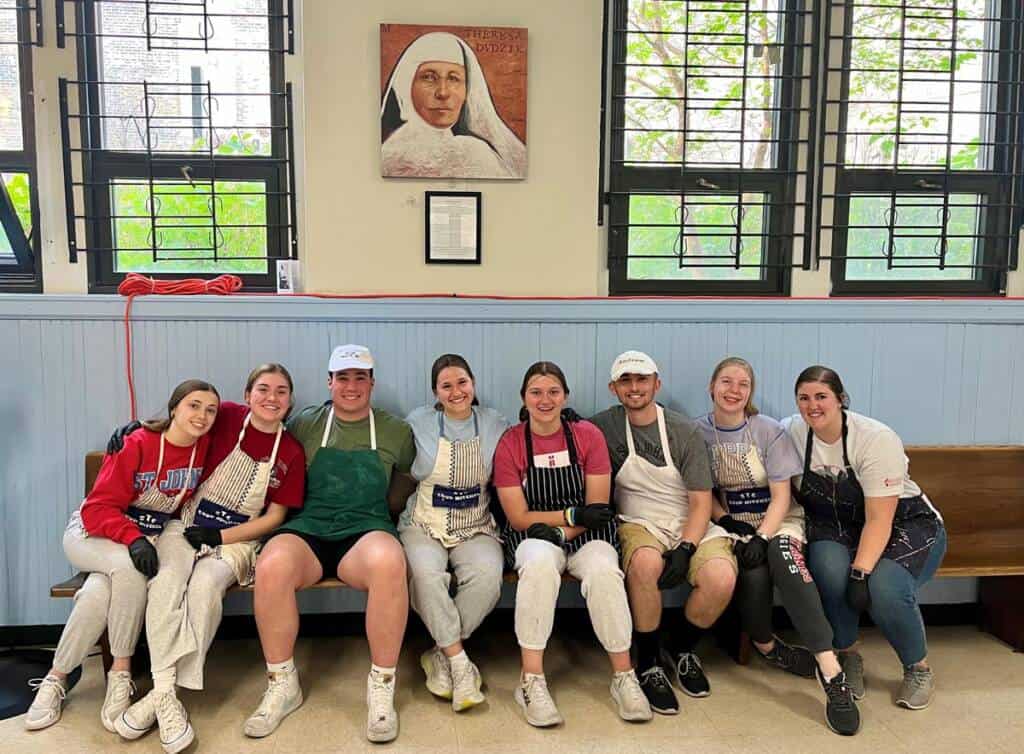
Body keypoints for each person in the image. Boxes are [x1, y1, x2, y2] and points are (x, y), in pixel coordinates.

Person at [112, 365, 306, 753]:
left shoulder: (290, 451)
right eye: (263, 389)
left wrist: (220, 536)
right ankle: (166, 693)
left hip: (239, 541)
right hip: (184, 525)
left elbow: (274, 518)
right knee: (168, 581)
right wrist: (138, 429)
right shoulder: (227, 416)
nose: (272, 398)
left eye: (281, 392)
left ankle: (162, 694)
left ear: (290, 400)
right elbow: (182, 424)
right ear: (247, 394)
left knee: (203, 588)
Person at [25, 380, 219, 735]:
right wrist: (133, 539)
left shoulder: (204, 445)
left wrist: (138, 540)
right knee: (129, 570)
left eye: (210, 410)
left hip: (138, 539)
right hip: (92, 533)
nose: (202, 415)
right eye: (194, 405)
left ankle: (56, 678)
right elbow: (97, 508)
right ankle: (121, 672)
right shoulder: (138, 443)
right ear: (174, 407)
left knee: (98, 594)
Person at [243, 345, 416, 743]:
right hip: (309, 529)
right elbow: (252, 427)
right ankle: (282, 684)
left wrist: (391, 515)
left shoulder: (395, 430)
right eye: (342, 377)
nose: (351, 386)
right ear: (329, 382)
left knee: (391, 562)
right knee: (271, 565)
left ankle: (382, 686)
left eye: (360, 378)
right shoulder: (305, 423)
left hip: (365, 531)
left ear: (372, 383)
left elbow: (407, 477)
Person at [698, 357, 860, 736]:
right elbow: (703, 492)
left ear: (750, 392)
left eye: (743, 384)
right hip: (733, 524)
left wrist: (764, 536)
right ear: (711, 387)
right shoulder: (698, 432)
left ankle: (830, 672)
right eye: (726, 381)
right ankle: (770, 648)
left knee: (784, 561)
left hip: (778, 519)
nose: (733, 390)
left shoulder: (768, 431)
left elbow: (781, 496)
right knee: (752, 577)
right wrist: (724, 520)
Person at [494, 361, 651, 728]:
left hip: (586, 535)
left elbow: (595, 511)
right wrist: (567, 518)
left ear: (565, 396)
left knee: (604, 571)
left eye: (553, 392)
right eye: (536, 392)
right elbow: (519, 516)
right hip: (534, 535)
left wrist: (567, 529)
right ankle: (531, 680)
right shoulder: (511, 442)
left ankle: (623, 677)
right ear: (524, 398)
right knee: (538, 566)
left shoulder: (587, 436)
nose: (545, 399)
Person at [784, 365, 947, 711]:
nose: (813, 405)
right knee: (828, 570)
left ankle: (917, 667)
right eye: (804, 397)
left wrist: (860, 574)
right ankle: (847, 653)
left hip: (902, 522)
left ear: (841, 399)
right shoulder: (792, 432)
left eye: (822, 397)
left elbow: (879, 519)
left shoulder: (876, 438)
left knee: (884, 588)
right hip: (837, 522)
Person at [590, 351, 735, 716]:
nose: (634, 387)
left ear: (657, 383)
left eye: (642, 379)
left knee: (720, 578)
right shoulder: (602, 427)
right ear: (614, 388)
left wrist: (687, 546)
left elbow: (702, 500)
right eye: (626, 381)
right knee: (644, 565)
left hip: (689, 518)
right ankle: (650, 661)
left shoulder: (682, 430)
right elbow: (568, 436)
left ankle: (683, 648)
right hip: (638, 521)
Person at [398, 354, 508, 712]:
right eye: (446, 385)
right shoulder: (419, 421)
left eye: (462, 382)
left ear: (473, 385)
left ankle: (439, 654)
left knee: (488, 579)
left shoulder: (494, 422)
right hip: (424, 524)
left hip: (475, 526)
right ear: (436, 392)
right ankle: (461, 664)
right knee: (426, 577)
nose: (456, 391)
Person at [380, 31, 527, 179]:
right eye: (429, 78)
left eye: (453, 79)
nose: (443, 92)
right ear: (406, 85)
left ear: (467, 90)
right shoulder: (387, 156)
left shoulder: (475, 153)